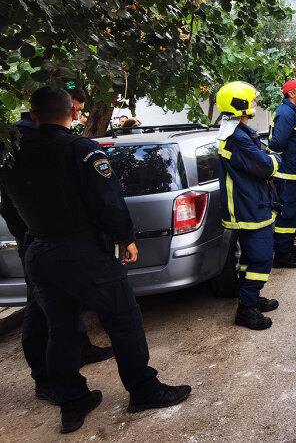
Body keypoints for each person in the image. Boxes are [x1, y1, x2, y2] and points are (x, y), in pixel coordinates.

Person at [0, 86, 190, 434]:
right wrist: (126, 238)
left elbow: (9, 207)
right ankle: (143, 390)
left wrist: (33, 238)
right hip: (85, 254)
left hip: (40, 255)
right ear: (73, 113)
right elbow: (108, 201)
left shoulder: (14, 154)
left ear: (34, 114)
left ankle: (72, 402)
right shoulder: (80, 150)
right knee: (124, 320)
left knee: (60, 329)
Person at [2, 111, 114, 407]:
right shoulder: (18, 140)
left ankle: (81, 350)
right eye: (74, 106)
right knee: (39, 310)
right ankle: (43, 379)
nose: (77, 114)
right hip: (36, 238)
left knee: (67, 302)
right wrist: (31, 232)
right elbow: (11, 199)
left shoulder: (41, 135)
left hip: (47, 238)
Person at [216, 81, 282, 330]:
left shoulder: (235, 133)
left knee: (248, 258)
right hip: (250, 207)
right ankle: (246, 310)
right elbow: (265, 166)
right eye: (251, 100)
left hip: (247, 204)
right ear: (239, 105)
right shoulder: (238, 139)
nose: (254, 104)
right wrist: (275, 159)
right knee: (262, 258)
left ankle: (250, 299)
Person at [268, 79, 296, 269]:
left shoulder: (291, 112)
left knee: (295, 214)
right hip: (288, 175)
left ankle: (288, 246)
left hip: (295, 174)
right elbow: (277, 143)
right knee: (287, 215)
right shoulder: (286, 113)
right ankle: (282, 254)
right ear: (291, 94)